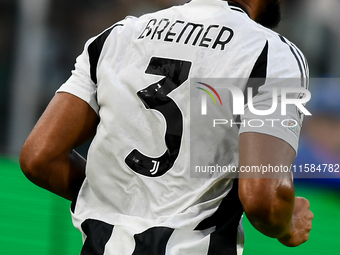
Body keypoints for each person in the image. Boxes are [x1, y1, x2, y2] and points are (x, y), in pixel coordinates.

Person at [20, 0, 313, 254]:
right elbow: (265, 200)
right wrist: (288, 224)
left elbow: (40, 157)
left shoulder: (117, 36)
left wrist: (124, 196)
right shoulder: (271, 52)